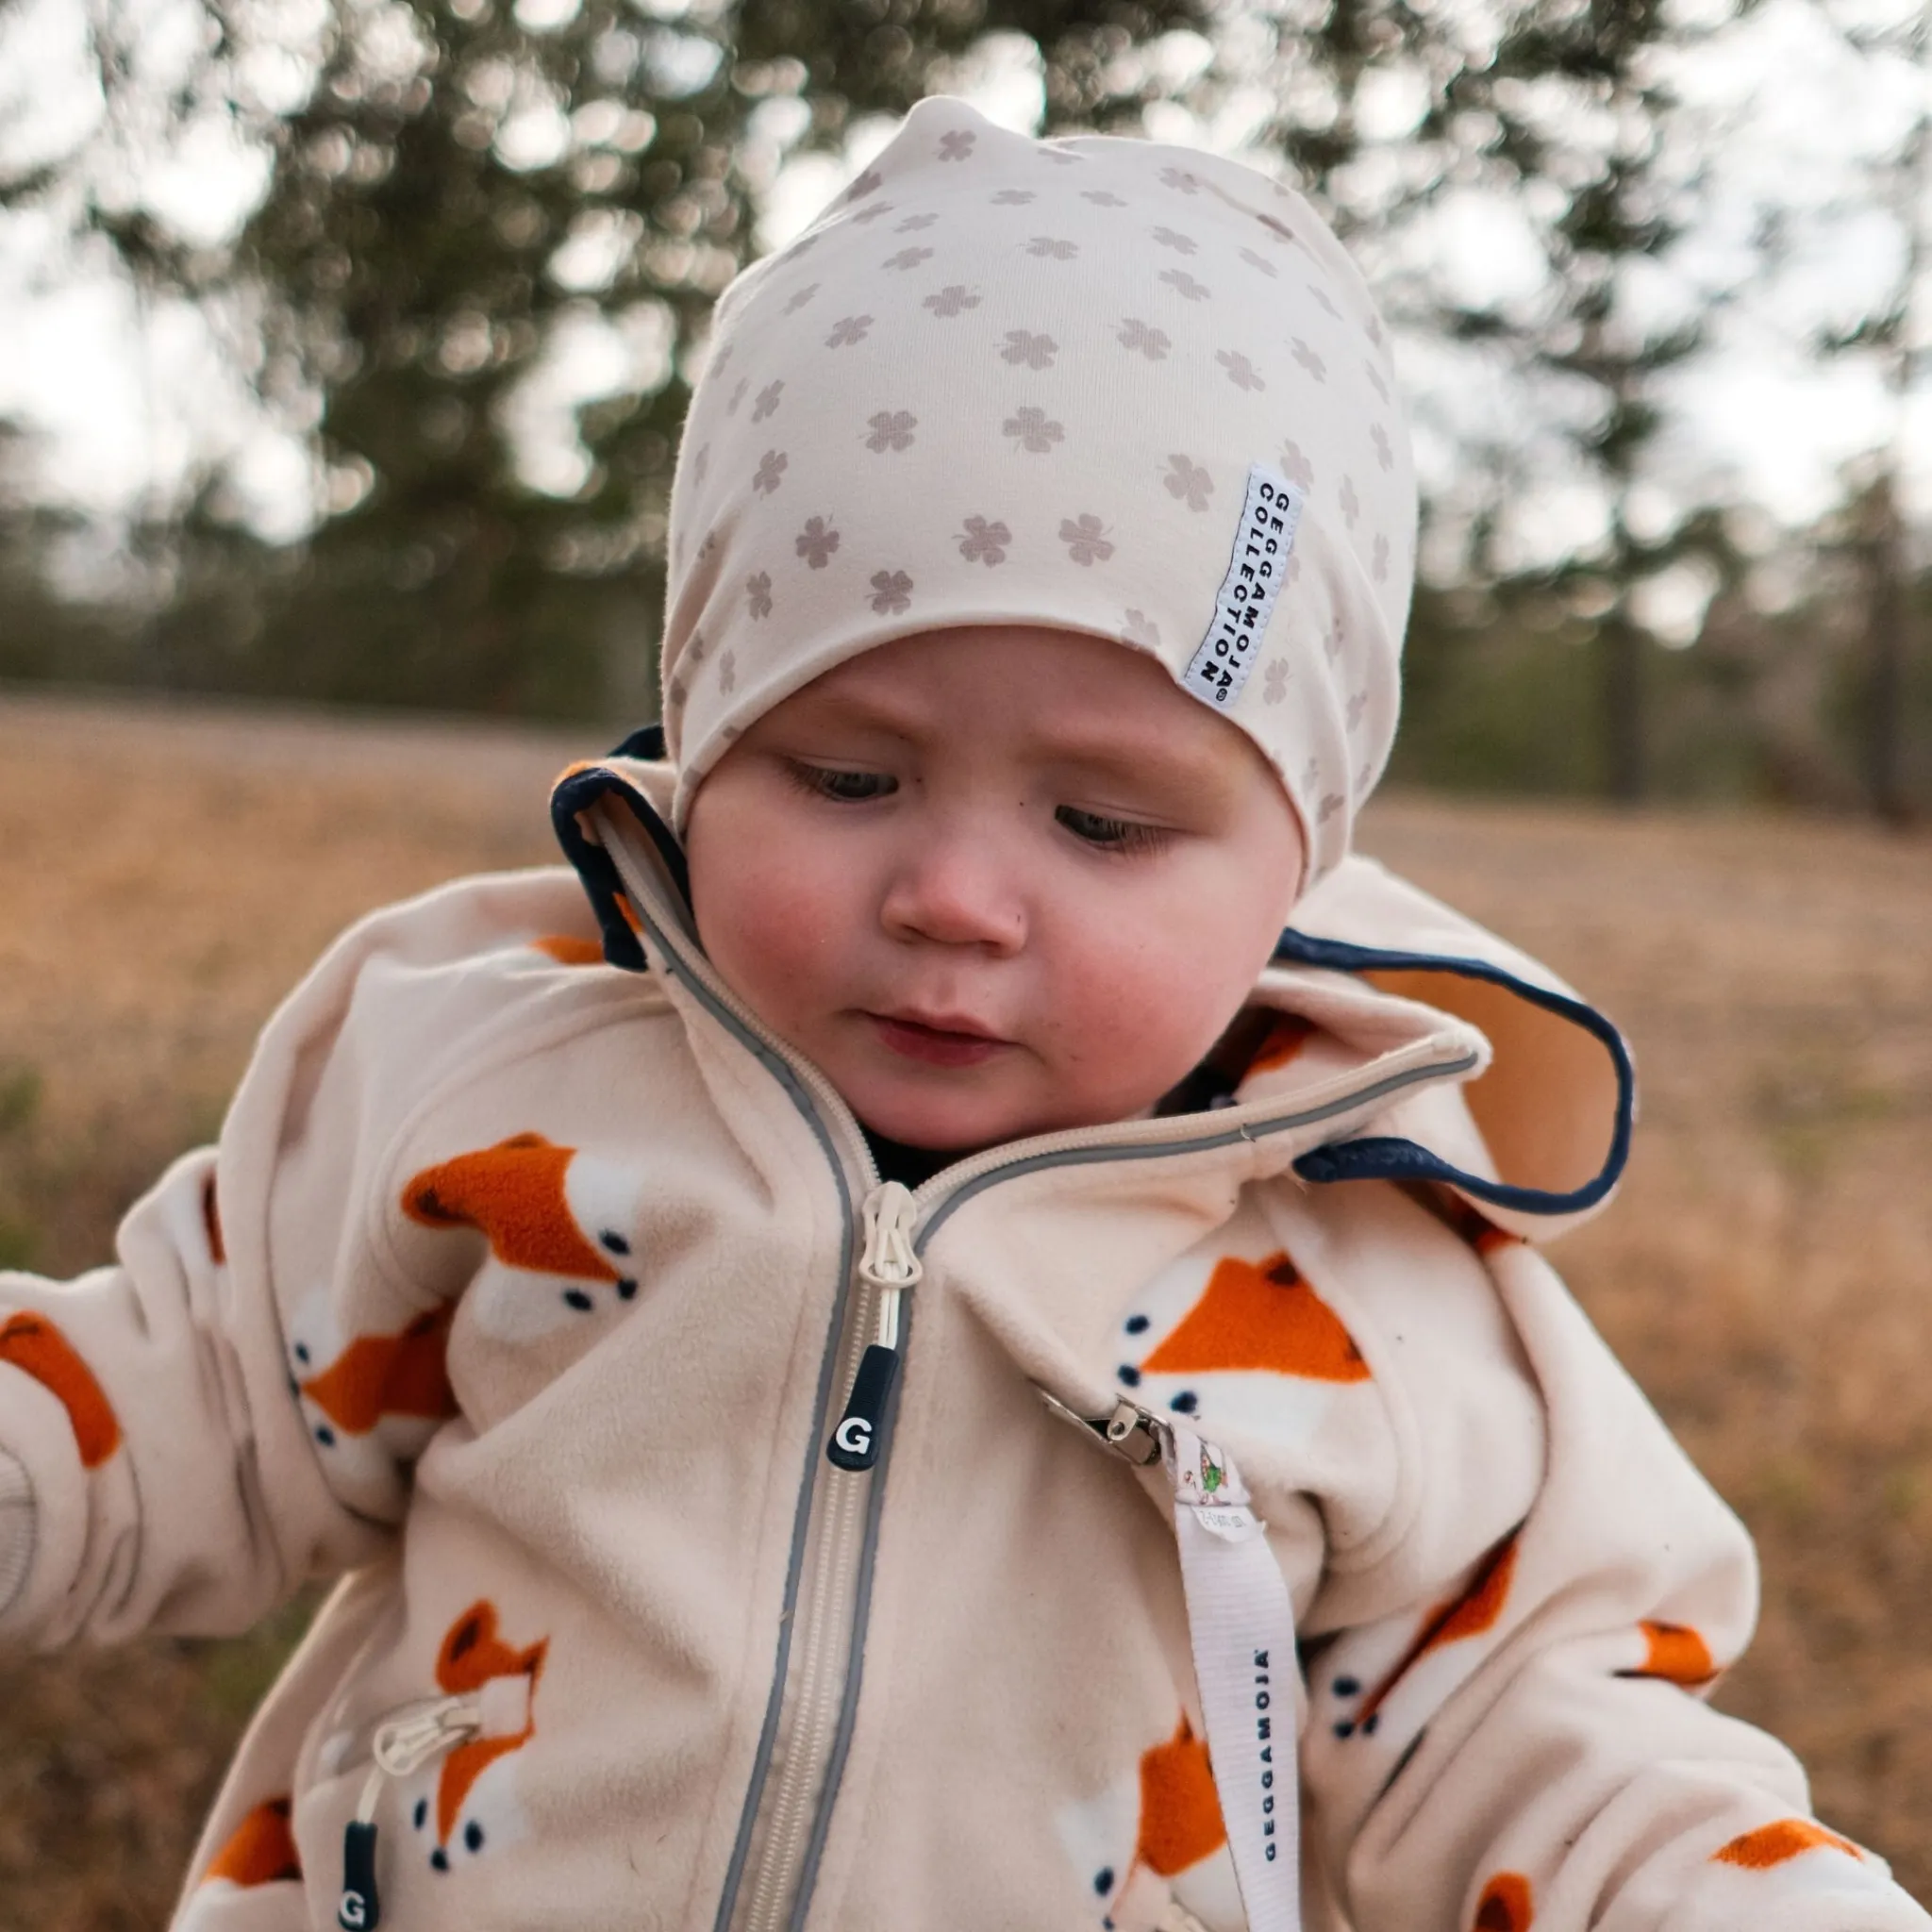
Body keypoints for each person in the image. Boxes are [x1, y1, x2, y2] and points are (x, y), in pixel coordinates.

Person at [0, 95, 1919, 1932]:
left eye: (1100, 820)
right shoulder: (494, 1079)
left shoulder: (1374, 1279)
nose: (953, 897)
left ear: (1299, 857)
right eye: (844, 774)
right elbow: (192, 1397)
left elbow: (1535, 1737)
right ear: (701, 736)